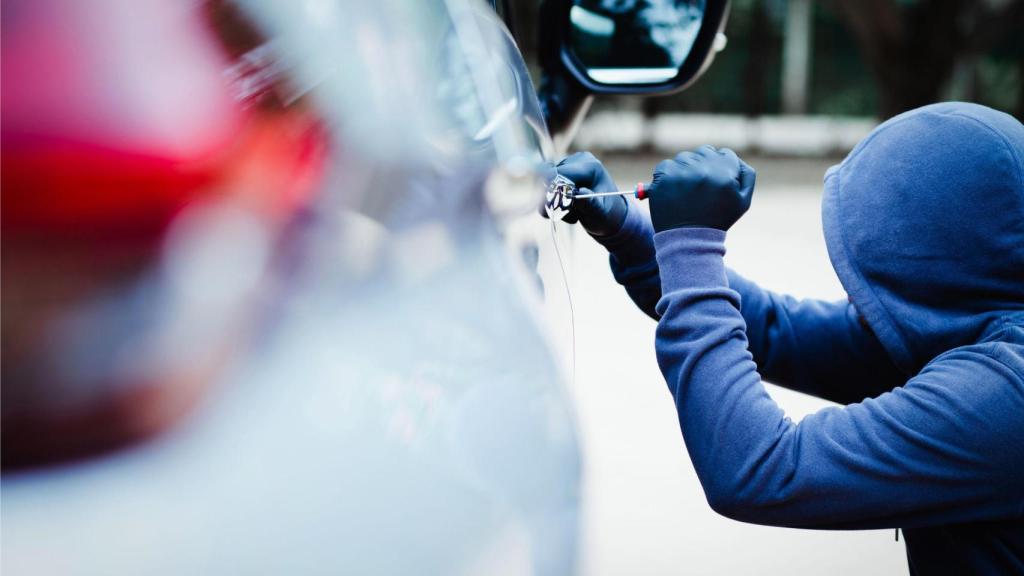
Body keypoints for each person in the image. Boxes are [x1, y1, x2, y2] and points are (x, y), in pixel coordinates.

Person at [556, 102, 1024, 574]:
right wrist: (628, 230)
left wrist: (691, 242)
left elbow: (762, 469)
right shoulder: (970, 319)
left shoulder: (1006, 394)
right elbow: (779, 330)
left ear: (932, 262)